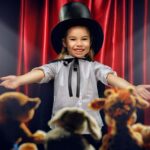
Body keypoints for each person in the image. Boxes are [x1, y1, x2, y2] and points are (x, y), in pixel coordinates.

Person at [0, 1, 150, 149]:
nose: (79, 44)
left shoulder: (95, 68)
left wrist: (133, 88)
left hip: (91, 130)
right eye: (73, 39)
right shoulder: (56, 67)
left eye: (84, 39)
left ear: (91, 42)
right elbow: (41, 73)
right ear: (64, 42)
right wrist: (19, 80)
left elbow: (111, 78)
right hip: (61, 130)